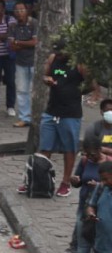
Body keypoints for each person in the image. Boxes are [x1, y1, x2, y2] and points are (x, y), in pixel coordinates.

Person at [29, 43, 91, 196]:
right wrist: (47, 79)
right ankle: (38, 180)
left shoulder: (79, 63)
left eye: (62, 53)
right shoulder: (53, 58)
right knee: (45, 148)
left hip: (71, 113)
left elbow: (90, 83)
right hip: (51, 111)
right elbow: (45, 75)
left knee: (69, 149)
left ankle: (65, 182)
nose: (59, 55)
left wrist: (76, 92)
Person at [10, 1, 39, 126]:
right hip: (20, 62)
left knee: (35, 91)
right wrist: (23, 43)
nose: (20, 13)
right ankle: (24, 117)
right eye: (17, 11)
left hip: (34, 62)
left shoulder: (34, 23)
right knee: (22, 90)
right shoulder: (12, 26)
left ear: (27, 11)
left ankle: (36, 117)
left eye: (22, 10)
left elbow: (34, 43)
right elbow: (12, 46)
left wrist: (18, 42)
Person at [73, 140, 103, 253]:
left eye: (92, 155)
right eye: (86, 154)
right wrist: (75, 180)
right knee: (83, 243)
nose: (90, 157)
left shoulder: (108, 163)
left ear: (100, 150)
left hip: (102, 210)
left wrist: (99, 186)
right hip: (84, 206)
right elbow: (77, 182)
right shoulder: (85, 161)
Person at [82, 161, 112, 253]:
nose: (104, 182)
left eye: (106, 179)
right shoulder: (100, 188)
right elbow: (91, 205)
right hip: (100, 245)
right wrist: (91, 213)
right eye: (102, 179)